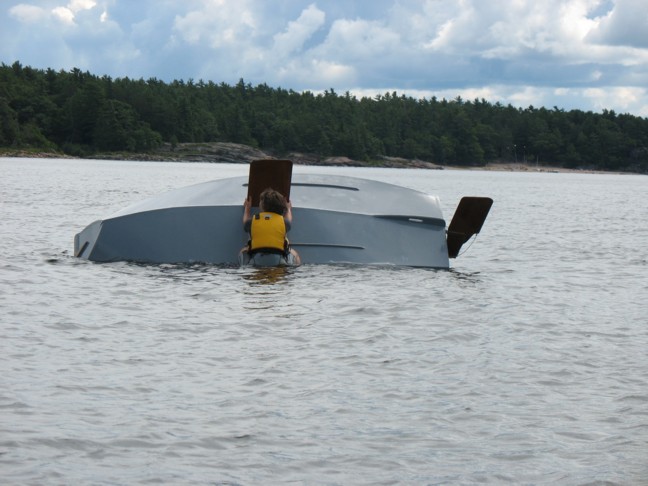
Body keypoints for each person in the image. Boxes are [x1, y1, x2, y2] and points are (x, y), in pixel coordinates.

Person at [239, 187, 301, 266]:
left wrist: (247, 209)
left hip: (256, 260)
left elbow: (245, 221)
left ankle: (244, 266)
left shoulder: (252, 221)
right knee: (295, 254)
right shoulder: (284, 222)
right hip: (278, 260)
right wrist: (288, 209)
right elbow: (289, 219)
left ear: (262, 206)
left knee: (242, 251)